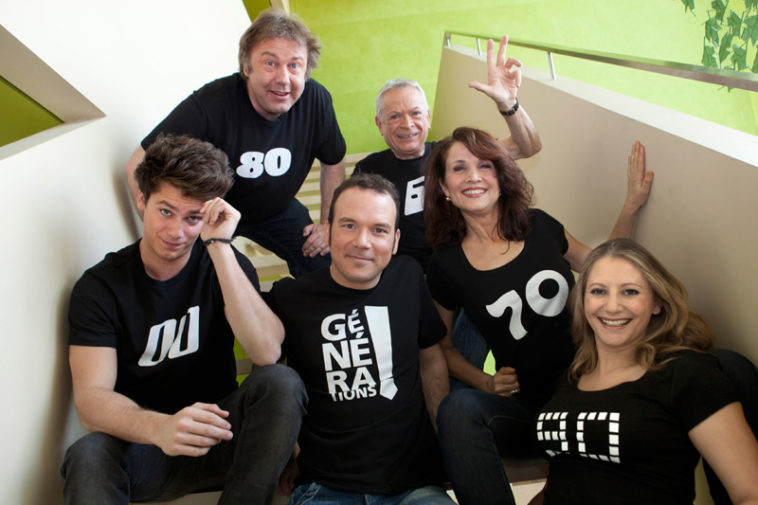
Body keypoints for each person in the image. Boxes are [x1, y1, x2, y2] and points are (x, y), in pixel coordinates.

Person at [61, 134, 307, 505]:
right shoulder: (100, 287)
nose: (177, 232)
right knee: (88, 454)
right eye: (165, 211)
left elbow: (267, 351)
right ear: (142, 201)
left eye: (193, 217)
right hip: (148, 447)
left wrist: (220, 247)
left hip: (224, 438)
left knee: (282, 383)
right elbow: (91, 399)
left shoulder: (226, 264)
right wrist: (160, 427)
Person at [424, 128, 653, 505]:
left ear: (501, 174)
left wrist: (631, 205)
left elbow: (606, 267)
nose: (474, 176)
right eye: (459, 168)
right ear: (445, 188)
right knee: (457, 409)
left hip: (593, 385)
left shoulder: (539, 224)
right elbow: (442, 345)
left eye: (485, 165)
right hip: (531, 409)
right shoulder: (446, 265)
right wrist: (484, 382)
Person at [265, 174, 454, 505]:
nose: (362, 242)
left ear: (395, 241)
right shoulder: (288, 296)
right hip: (324, 488)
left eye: (378, 230)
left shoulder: (408, 276)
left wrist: (442, 431)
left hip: (414, 487)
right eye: (349, 225)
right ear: (329, 230)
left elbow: (431, 357)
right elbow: (268, 378)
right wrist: (279, 455)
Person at [533, 238, 758, 505]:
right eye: (598, 291)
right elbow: (566, 478)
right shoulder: (571, 378)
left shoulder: (686, 373)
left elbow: (750, 492)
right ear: (583, 302)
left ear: (657, 303)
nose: (612, 306)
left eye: (630, 291)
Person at [125, 8, 346, 277]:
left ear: (306, 71)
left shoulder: (316, 101)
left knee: (326, 263)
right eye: (270, 63)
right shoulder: (211, 103)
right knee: (223, 279)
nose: (283, 79)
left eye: (294, 65)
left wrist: (327, 222)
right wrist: (162, 224)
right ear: (246, 67)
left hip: (278, 208)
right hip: (212, 215)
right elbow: (137, 163)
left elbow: (333, 161)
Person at [354, 35, 541, 273]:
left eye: (415, 113)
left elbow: (527, 147)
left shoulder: (454, 153)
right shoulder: (368, 169)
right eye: (394, 116)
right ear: (379, 125)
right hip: (407, 275)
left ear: (428, 118)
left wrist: (508, 103)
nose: (407, 124)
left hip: (467, 265)